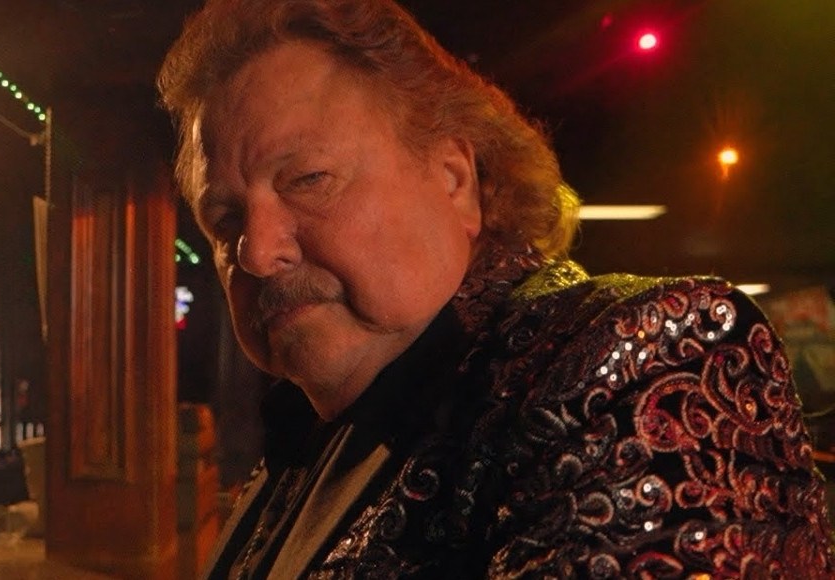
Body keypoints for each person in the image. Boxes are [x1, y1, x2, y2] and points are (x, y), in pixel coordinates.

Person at [157, 0, 835, 577]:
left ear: (455, 180)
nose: (255, 253)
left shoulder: (651, 355)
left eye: (308, 180)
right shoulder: (295, 450)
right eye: (225, 220)